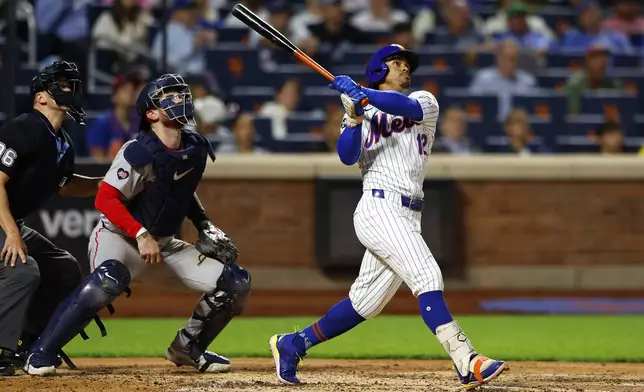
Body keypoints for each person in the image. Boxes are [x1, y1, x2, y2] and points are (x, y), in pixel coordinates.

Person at [268, 44, 507, 389]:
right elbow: (346, 157)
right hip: (378, 208)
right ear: (380, 70)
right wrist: (351, 117)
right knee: (427, 275)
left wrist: (360, 93)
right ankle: (467, 361)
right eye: (397, 64)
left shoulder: (425, 101)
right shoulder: (362, 111)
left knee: (365, 302)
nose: (405, 69)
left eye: (407, 65)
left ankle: (293, 344)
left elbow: (402, 106)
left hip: (409, 214)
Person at [23, 74, 251, 376]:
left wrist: (204, 224)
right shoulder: (139, 150)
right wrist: (141, 234)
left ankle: (188, 347)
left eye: (182, 93)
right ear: (151, 113)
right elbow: (105, 198)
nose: (180, 99)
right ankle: (40, 353)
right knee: (106, 280)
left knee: (235, 283)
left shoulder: (195, 148)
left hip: (164, 245)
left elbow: (183, 192)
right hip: (119, 238)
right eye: (169, 96)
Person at [0, 61, 102, 376]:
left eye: (71, 85)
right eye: (61, 84)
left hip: (10, 221)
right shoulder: (24, 127)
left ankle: (34, 343)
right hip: (5, 221)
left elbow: (67, 186)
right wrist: (12, 234)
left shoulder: (62, 143)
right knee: (22, 269)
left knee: (64, 267)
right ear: (41, 97)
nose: (70, 90)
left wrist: (104, 185)